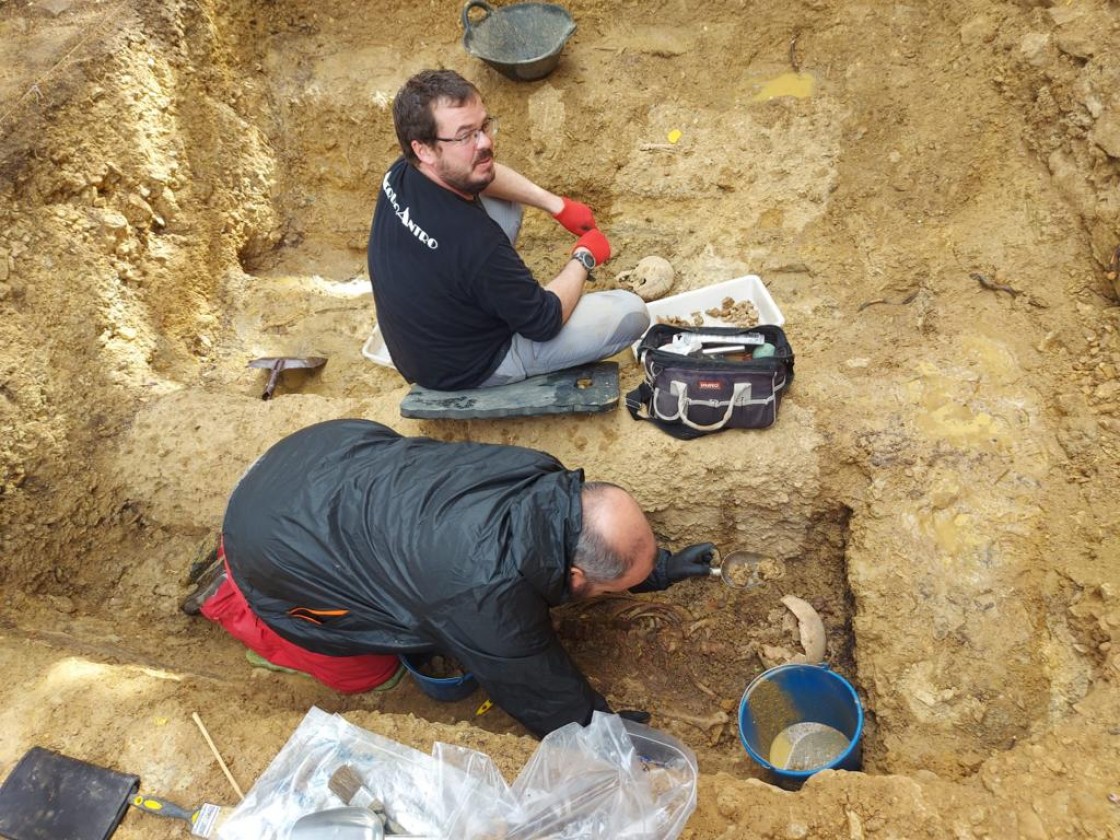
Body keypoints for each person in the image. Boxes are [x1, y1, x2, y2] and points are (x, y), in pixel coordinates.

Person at [182, 419, 715, 738]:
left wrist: (660, 568)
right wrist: (601, 734)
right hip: (269, 543)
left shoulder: (540, 473)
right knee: (370, 671)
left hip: (317, 458)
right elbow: (540, 691)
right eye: (606, 588)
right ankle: (231, 596)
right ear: (575, 574)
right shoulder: (485, 596)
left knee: (420, 598)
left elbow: (592, 542)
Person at [367, 69, 650, 391]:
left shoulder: (402, 172)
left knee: (497, 193)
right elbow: (544, 320)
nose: (486, 142)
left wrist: (556, 205)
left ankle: (496, 295)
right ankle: (508, 354)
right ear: (425, 149)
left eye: (484, 126)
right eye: (465, 136)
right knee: (629, 313)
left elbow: (482, 175)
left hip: (422, 334)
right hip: (467, 367)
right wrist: (584, 258)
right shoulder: (474, 242)